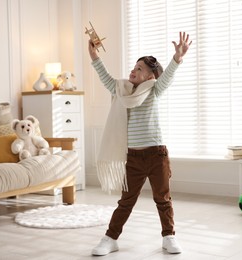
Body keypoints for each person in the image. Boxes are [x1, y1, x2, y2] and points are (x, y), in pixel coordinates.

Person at [88, 32, 192, 256]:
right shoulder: (122, 90)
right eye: (134, 67)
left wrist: (177, 58)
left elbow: (167, 77)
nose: (133, 71)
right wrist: (94, 55)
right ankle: (110, 238)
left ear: (150, 76)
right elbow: (105, 77)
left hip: (156, 156)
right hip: (132, 158)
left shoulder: (155, 90)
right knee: (126, 201)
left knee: (162, 199)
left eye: (140, 69)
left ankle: (169, 236)